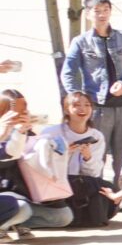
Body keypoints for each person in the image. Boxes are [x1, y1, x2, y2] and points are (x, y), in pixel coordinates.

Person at [60, 0, 122, 181]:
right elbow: (68, 72)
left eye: (106, 10)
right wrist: (78, 99)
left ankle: (120, 196)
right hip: (97, 105)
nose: (102, 15)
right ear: (88, 14)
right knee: (97, 153)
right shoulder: (80, 42)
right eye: (97, 11)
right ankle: (96, 195)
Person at [0, 89, 74, 231]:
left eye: (24, 108)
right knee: (21, 208)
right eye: (15, 110)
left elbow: (12, 153)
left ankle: (12, 223)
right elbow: (7, 158)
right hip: (6, 191)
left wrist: (21, 131)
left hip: (27, 192)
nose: (21, 113)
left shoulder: (25, 132)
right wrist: (4, 132)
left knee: (62, 216)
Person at [57, 92, 116, 227]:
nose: (82, 109)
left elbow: (94, 174)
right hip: (60, 181)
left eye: (87, 105)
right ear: (66, 109)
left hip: (84, 182)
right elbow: (46, 166)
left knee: (106, 190)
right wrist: (65, 154)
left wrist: (87, 157)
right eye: (76, 105)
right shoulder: (53, 133)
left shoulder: (96, 136)